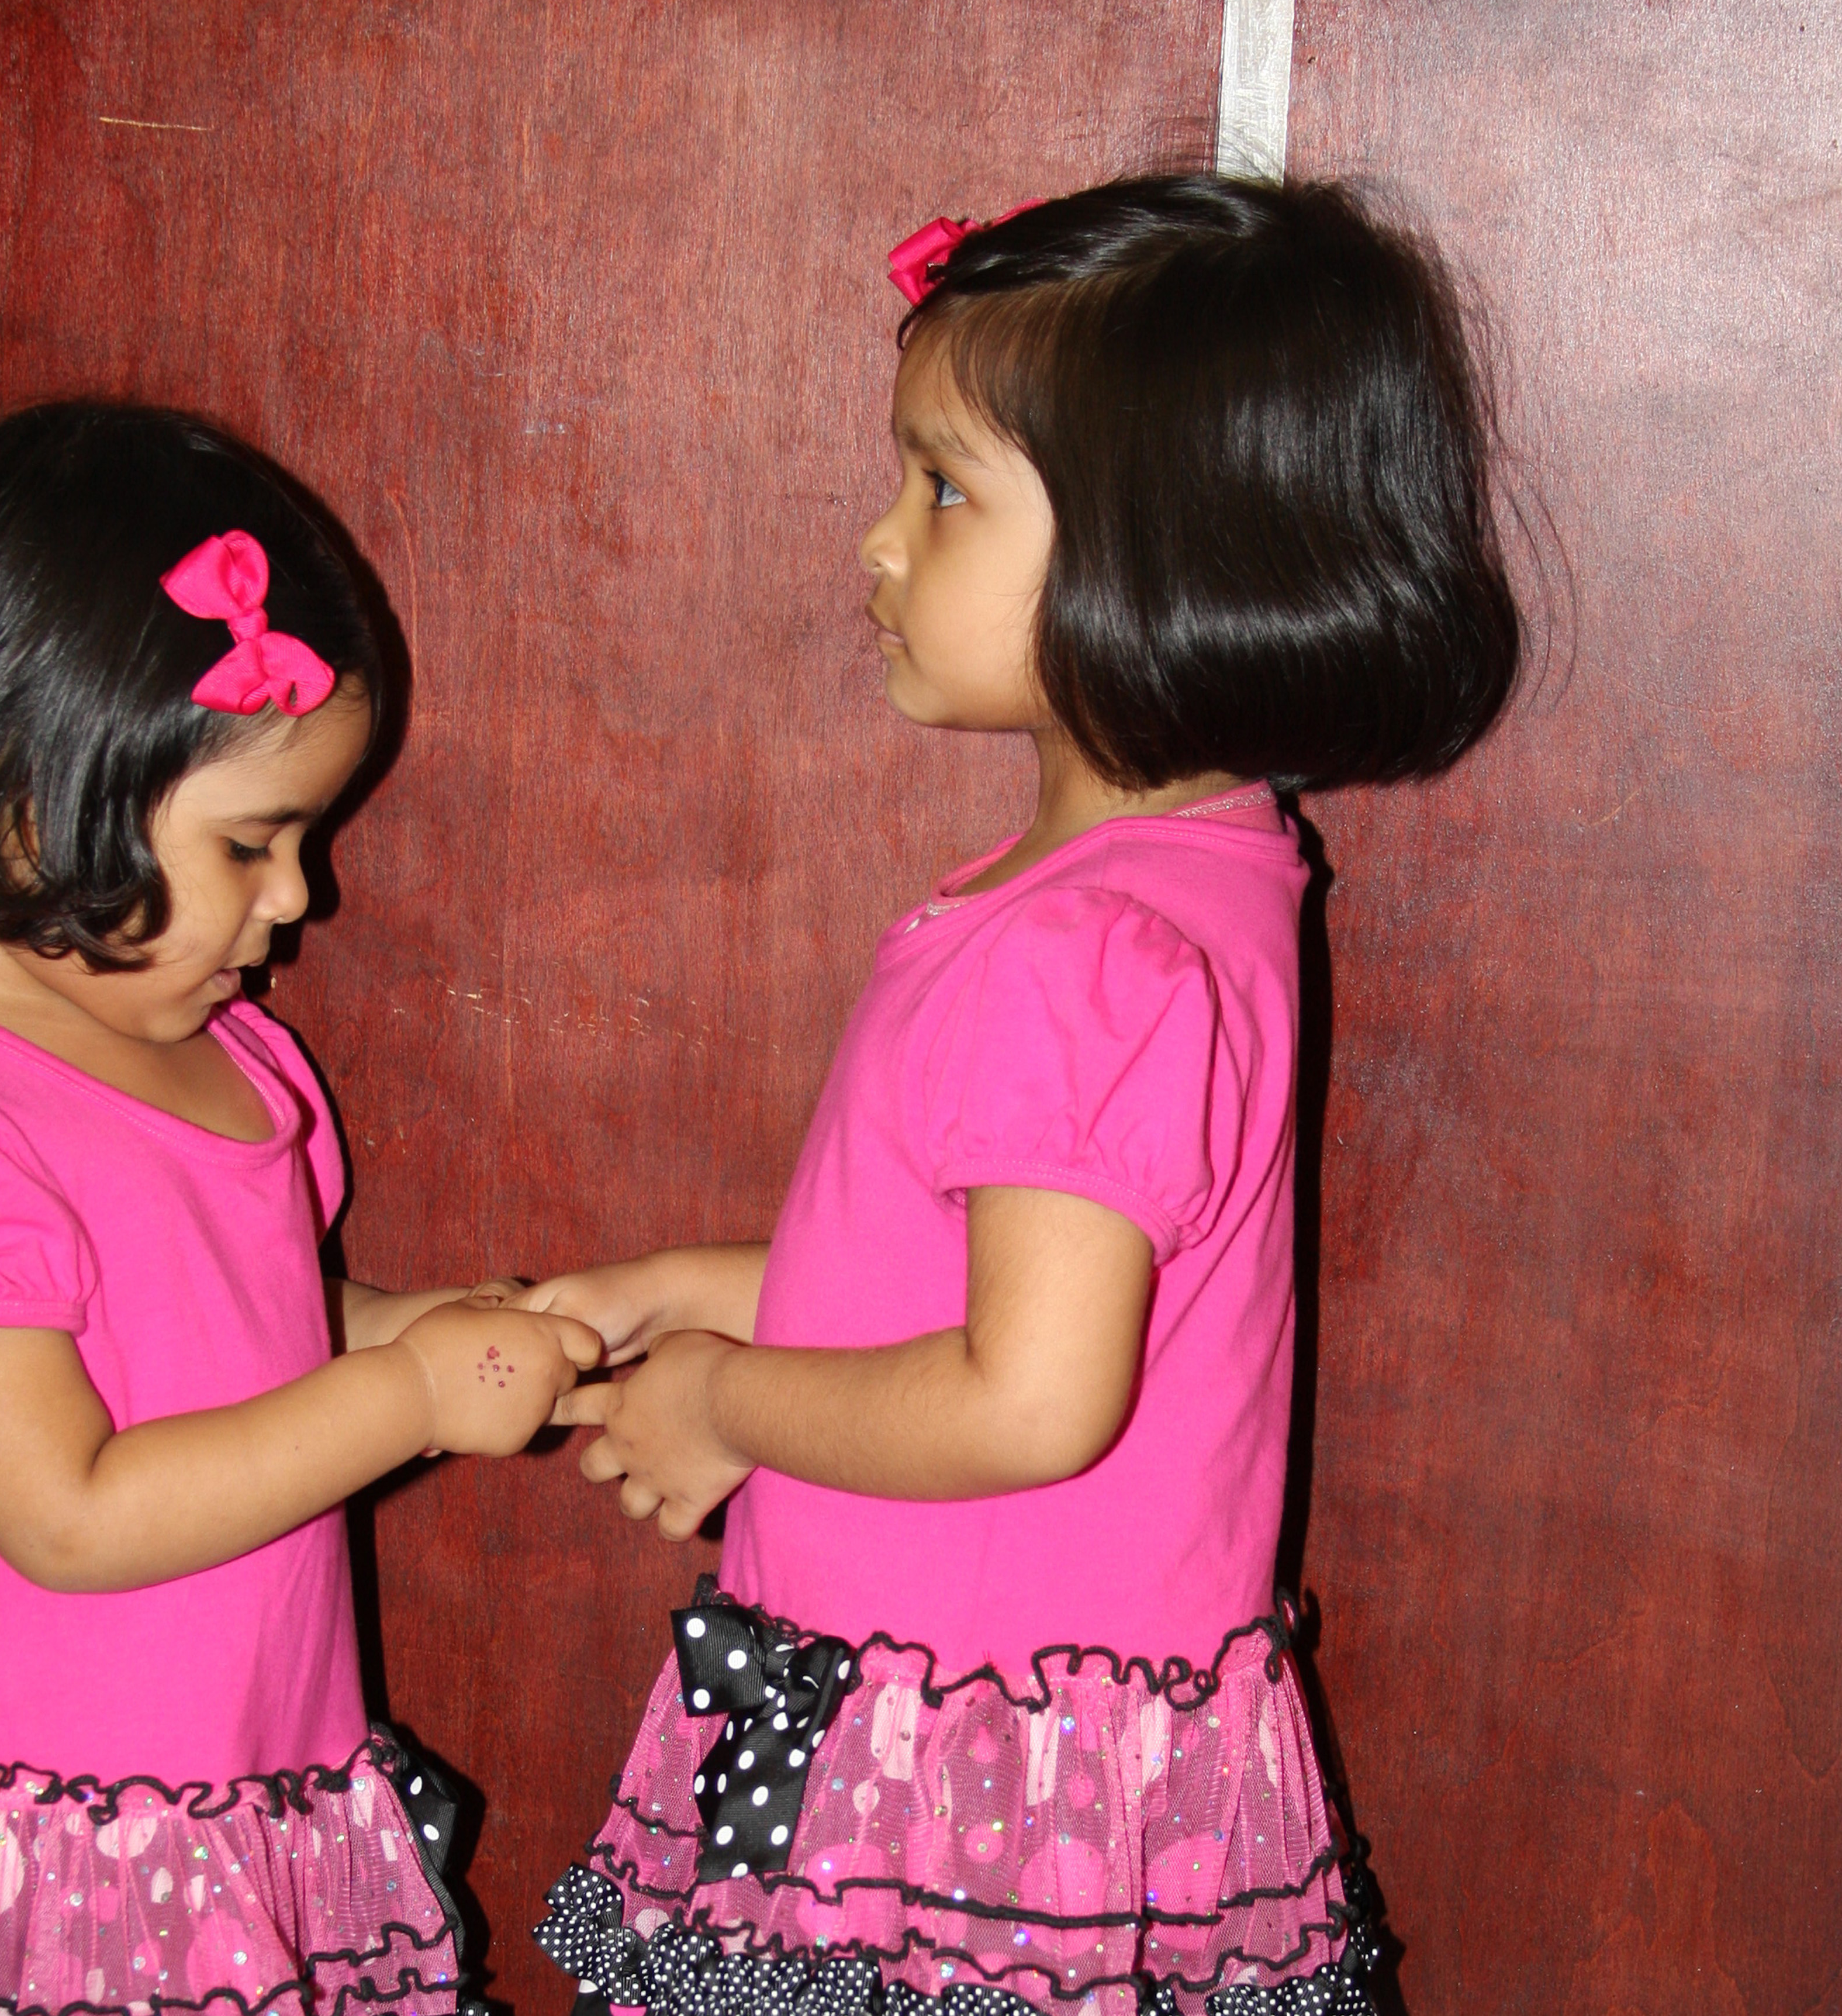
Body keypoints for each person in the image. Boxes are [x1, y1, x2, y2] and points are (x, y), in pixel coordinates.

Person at [527, 177, 1522, 2016]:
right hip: (1011, 1755)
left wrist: (729, 1401)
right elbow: (1006, 1278)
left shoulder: (1078, 953)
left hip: (952, 1800)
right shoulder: (1200, 878)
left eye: (944, 489)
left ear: (1165, 552)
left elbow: (1033, 1395)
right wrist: (699, 1289)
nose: (878, 540)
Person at [0, 402, 599, 2016]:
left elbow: (257, 1331)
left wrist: (443, 1330)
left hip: (247, 1803)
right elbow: (71, 1511)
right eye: (252, 844)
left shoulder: (237, 1063)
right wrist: (408, 1397)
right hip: (34, 1874)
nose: (298, 898)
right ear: (26, 798)